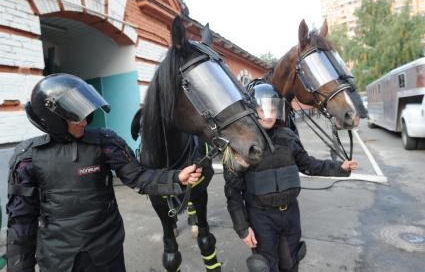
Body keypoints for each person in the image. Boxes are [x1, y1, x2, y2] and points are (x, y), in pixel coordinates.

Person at [6, 73, 202, 272]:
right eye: (75, 118)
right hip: (59, 259)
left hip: (107, 251)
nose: (84, 122)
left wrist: (176, 177)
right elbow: (21, 222)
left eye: (84, 114)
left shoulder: (105, 142)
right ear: (52, 119)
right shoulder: (28, 158)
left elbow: (138, 177)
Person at [224, 82, 358, 272]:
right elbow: (232, 192)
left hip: (290, 215)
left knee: (290, 262)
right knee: (266, 266)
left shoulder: (288, 136)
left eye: (272, 108)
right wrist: (242, 228)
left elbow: (309, 164)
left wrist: (340, 167)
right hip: (261, 217)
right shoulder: (240, 145)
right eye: (261, 109)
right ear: (251, 110)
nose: (268, 114)